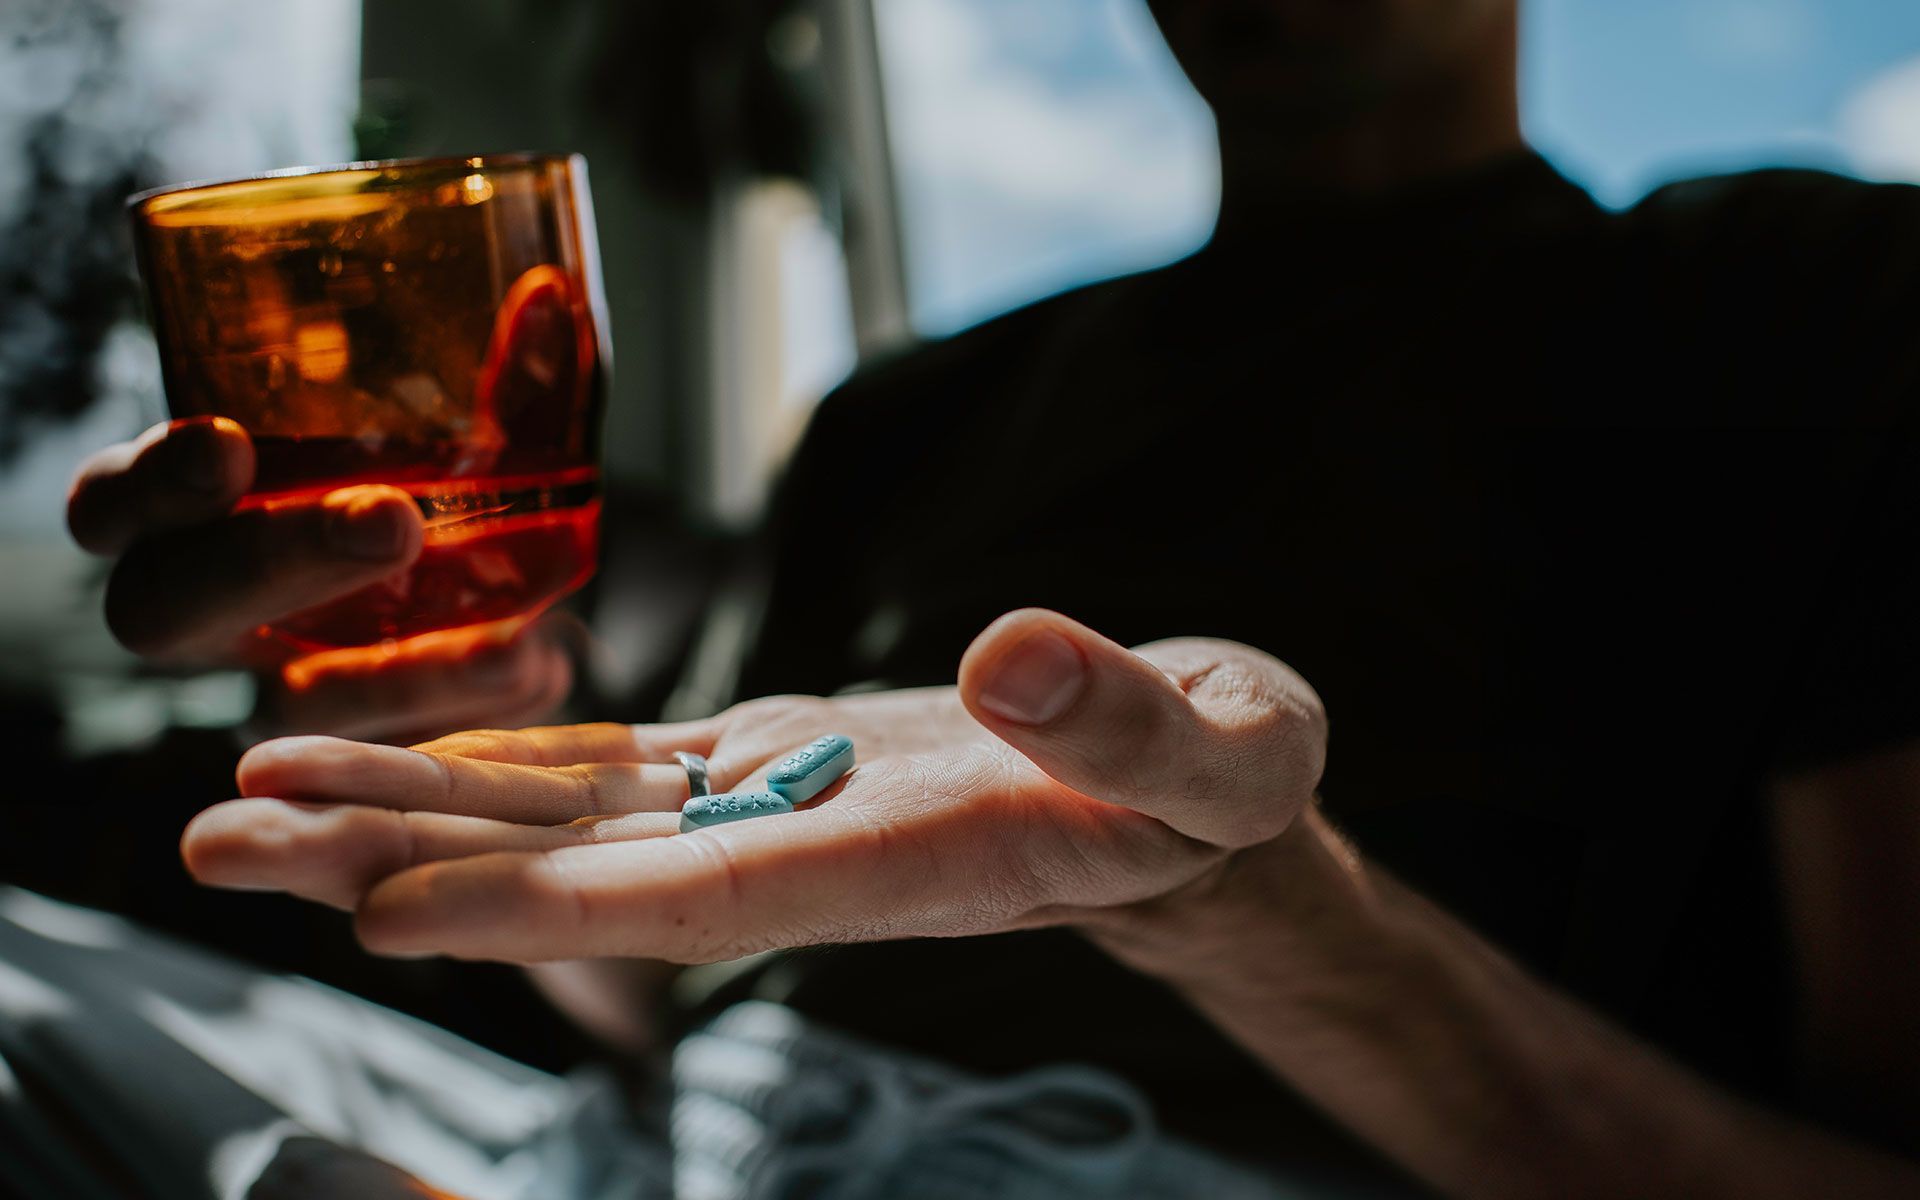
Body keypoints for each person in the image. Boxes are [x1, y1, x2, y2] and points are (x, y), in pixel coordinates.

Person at [53, 0, 1920, 1194]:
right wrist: (444, 742)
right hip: (640, 1147)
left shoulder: (1804, 300)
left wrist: (1245, 906)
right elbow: (698, 954)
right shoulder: (920, 411)